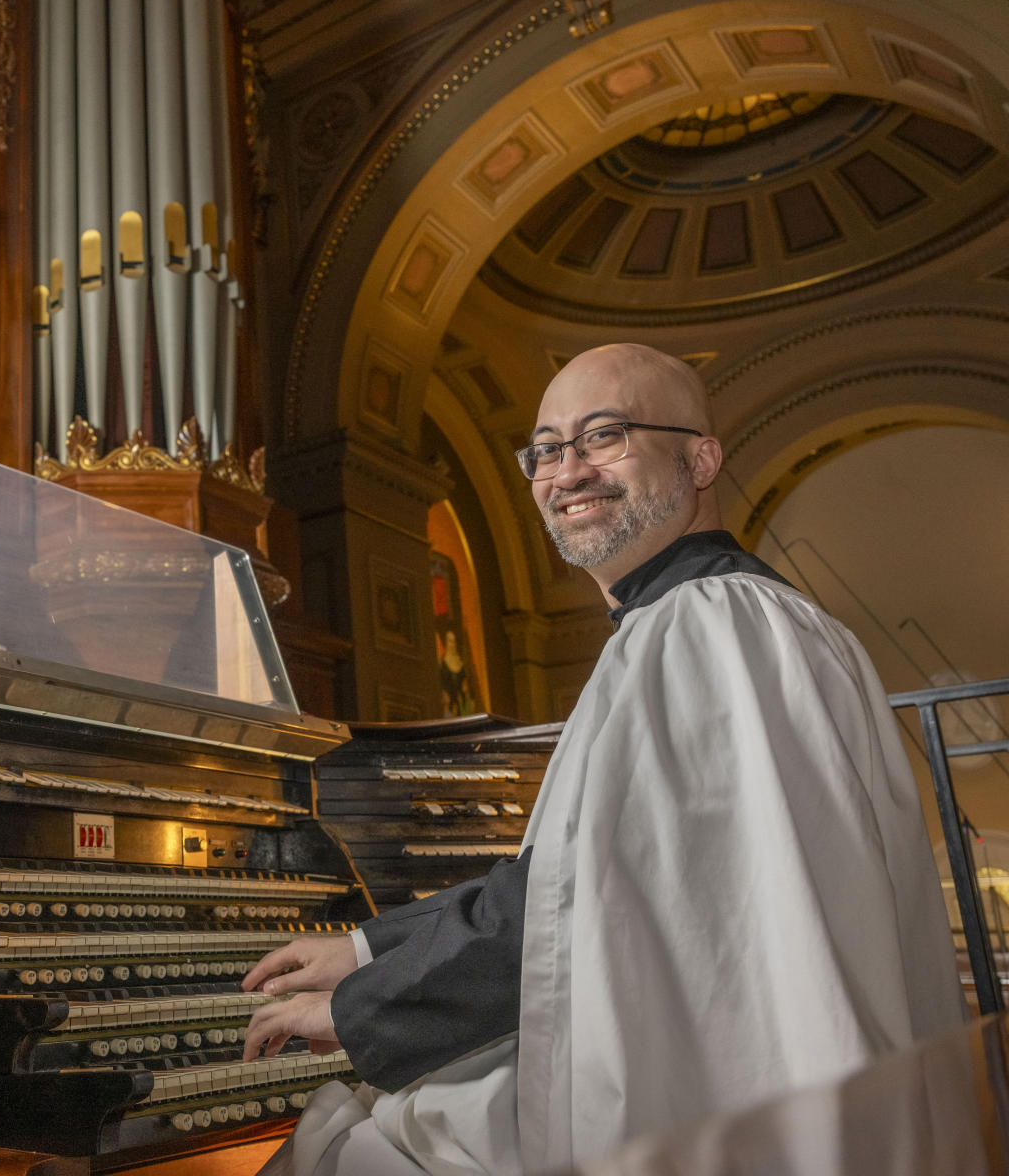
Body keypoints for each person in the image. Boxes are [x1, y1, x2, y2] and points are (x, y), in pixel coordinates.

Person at [241, 343, 963, 1175]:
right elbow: (592, 874)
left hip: (707, 1108)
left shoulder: (704, 626)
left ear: (700, 458)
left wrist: (366, 1002)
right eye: (546, 449)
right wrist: (368, 949)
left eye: (604, 435)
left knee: (348, 1149)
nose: (567, 469)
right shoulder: (729, 622)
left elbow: (590, 898)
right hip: (749, 1075)